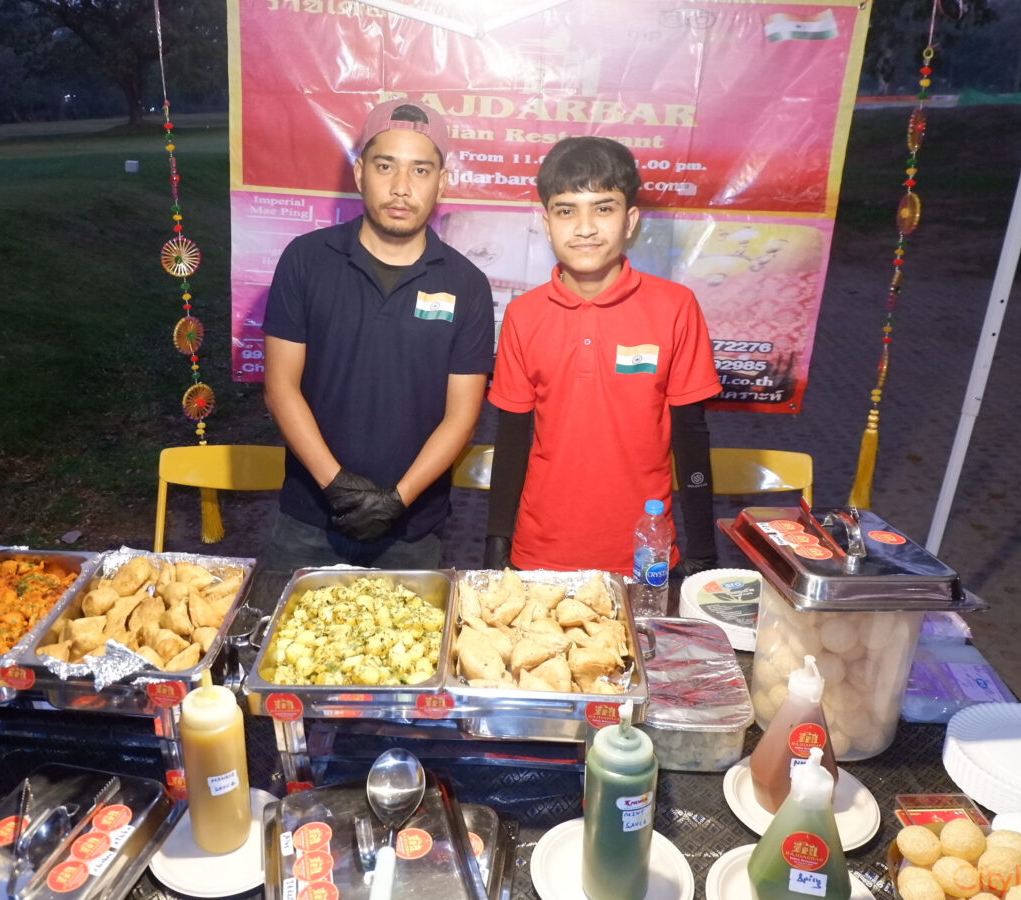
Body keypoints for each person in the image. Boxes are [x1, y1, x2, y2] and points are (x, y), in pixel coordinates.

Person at [260, 98, 496, 571]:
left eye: (420, 171)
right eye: (386, 166)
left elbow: (461, 418)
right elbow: (281, 388)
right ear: (360, 172)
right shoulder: (305, 260)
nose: (401, 187)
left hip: (412, 530)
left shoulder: (467, 284)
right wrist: (336, 486)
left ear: (441, 182)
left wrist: (397, 500)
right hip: (308, 520)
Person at [484, 136, 720, 576]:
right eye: (566, 211)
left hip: (642, 557)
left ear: (630, 221)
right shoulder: (523, 315)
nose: (585, 228)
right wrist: (497, 540)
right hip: (538, 556)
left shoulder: (675, 308)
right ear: (547, 223)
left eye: (603, 208)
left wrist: (703, 551)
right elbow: (512, 439)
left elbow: (691, 439)